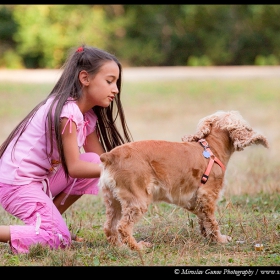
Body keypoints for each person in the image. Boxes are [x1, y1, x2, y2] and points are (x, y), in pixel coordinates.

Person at [0, 45, 133, 254]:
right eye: (109, 81)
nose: (115, 89)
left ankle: (49, 221)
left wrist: (124, 168)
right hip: (16, 185)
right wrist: (121, 169)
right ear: (85, 78)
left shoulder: (87, 115)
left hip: (39, 181)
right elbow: (74, 168)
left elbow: (100, 160)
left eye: (116, 82)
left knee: (93, 162)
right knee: (57, 239)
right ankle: (47, 229)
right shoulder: (67, 113)